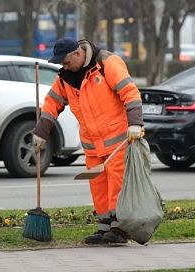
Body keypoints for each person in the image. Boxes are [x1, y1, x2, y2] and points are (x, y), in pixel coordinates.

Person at [32, 37, 144, 244]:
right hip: (92, 144)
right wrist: (41, 132)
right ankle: (104, 228)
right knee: (98, 186)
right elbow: (52, 103)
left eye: (65, 62)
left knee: (116, 186)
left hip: (118, 140)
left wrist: (135, 124)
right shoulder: (66, 76)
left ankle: (120, 230)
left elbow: (130, 93)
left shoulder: (107, 63)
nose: (64, 66)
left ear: (78, 53)